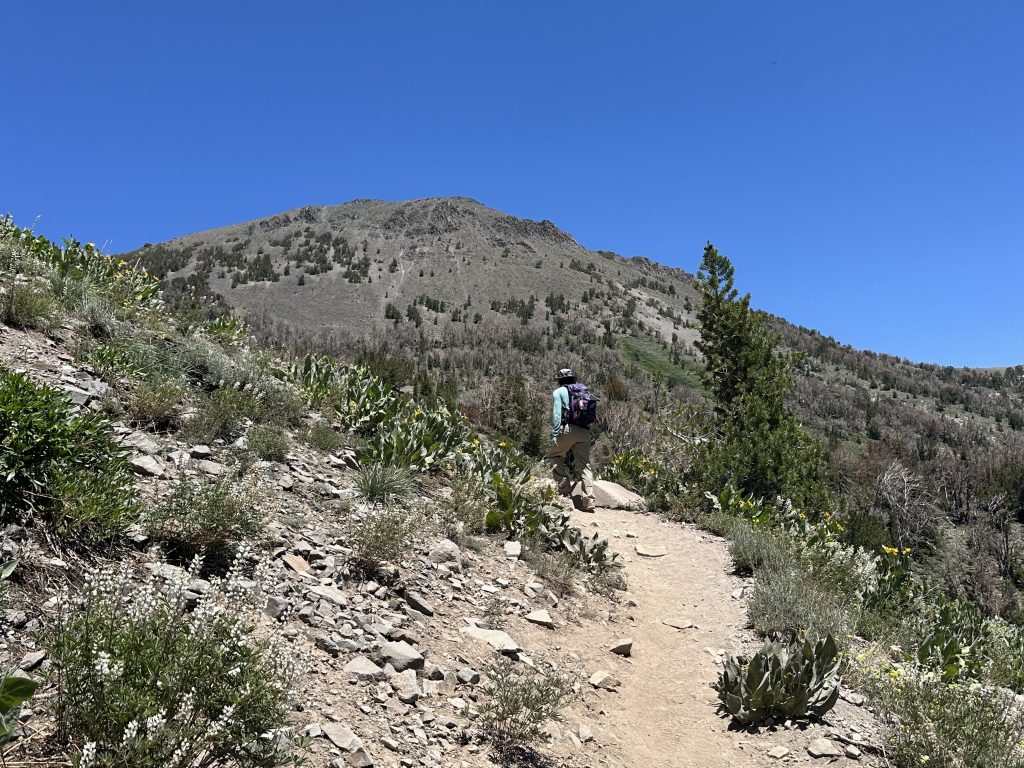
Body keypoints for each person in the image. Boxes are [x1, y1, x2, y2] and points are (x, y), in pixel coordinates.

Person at [548, 367, 596, 511]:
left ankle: (565, 492)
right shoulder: (583, 391)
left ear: (560, 380)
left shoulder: (558, 392)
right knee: (585, 466)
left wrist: (555, 434)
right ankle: (589, 501)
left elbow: (557, 415)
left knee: (555, 456)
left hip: (568, 429)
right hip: (584, 431)